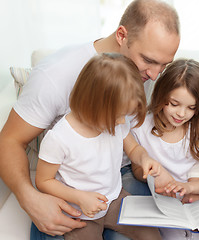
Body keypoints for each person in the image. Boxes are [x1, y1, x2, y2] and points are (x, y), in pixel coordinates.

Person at [0, 0, 180, 239]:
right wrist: (29, 198)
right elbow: (9, 141)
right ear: (121, 35)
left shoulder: (144, 76)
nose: (155, 75)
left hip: (116, 183)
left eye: (164, 65)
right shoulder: (55, 77)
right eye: (148, 60)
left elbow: (129, 139)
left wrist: (146, 164)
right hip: (74, 191)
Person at [35, 53, 163, 240]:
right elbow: (43, 181)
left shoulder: (117, 123)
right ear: (93, 104)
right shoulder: (59, 138)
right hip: (80, 212)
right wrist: (80, 198)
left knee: (151, 235)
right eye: (117, 115)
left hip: (115, 199)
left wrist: (145, 159)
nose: (121, 121)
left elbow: (133, 149)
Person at [130, 58, 199, 240]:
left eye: (191, 107)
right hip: (166, 202)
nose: (181, 114)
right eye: (174, 104)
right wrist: (156, 177)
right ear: (161, 95)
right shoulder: (141, 126)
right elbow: (138, 170)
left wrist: (188, 188)